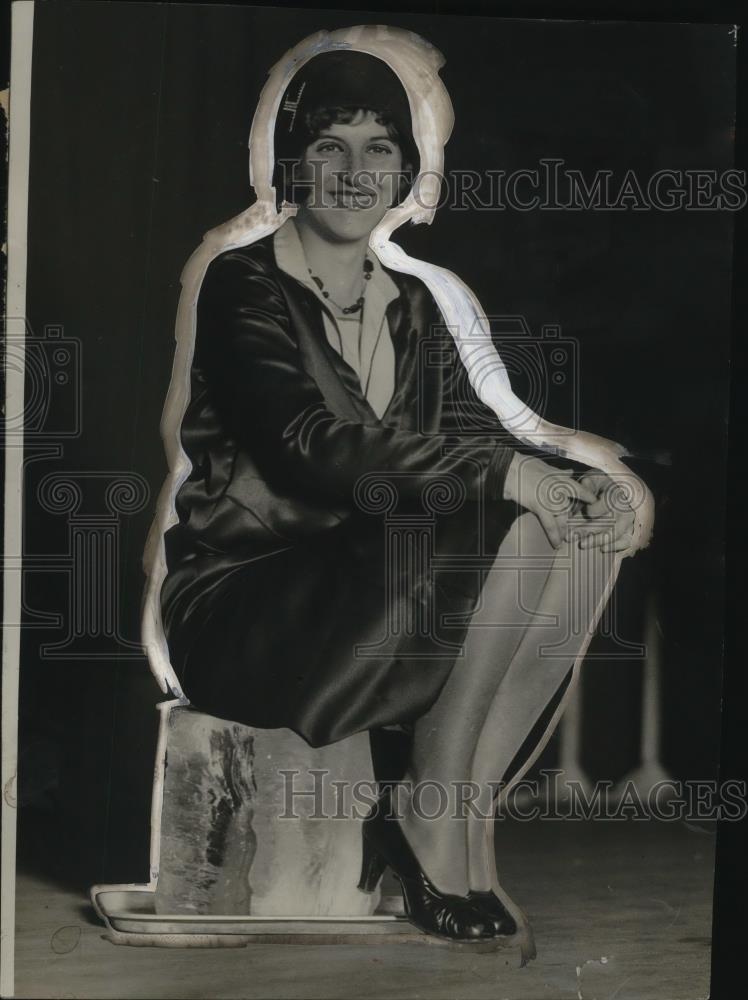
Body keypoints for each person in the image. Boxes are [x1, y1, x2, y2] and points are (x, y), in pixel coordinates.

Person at [151, 34, 646, 945]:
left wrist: (582, 489)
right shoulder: (242, 285)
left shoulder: (412, 304)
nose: (353, 170)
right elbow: (310, 445)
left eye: (378, 148)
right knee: (498, 505)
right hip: (248, 599)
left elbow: (474, 434)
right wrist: (510, 475)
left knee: (561, 537)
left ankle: (452, 814)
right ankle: (422, 817)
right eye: (329, 146)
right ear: (292, 163)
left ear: (405, 170)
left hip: (372, 585)